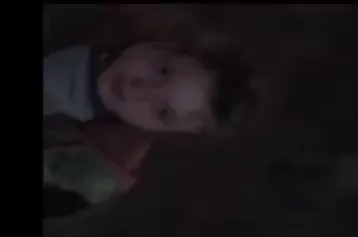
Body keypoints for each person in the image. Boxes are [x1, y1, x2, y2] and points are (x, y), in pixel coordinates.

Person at [44, 40, 257, 204]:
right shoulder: (72, 71)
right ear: (161, 45)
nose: (137, 88)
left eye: (163, 112)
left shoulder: (104, 165)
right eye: (162, 71)